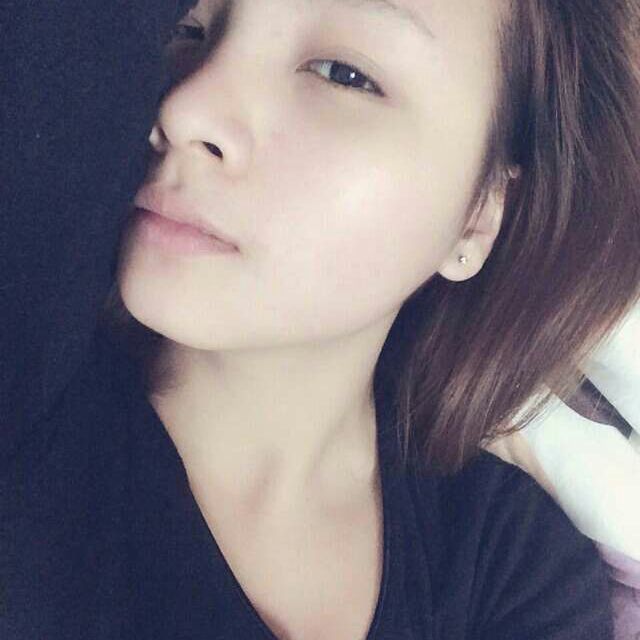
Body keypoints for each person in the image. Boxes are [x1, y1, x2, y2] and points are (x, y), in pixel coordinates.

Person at [1, 1, 639, 639]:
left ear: (479, 215)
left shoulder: (513, 564)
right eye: (186, 29)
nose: (184, 109)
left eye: (343, 74)